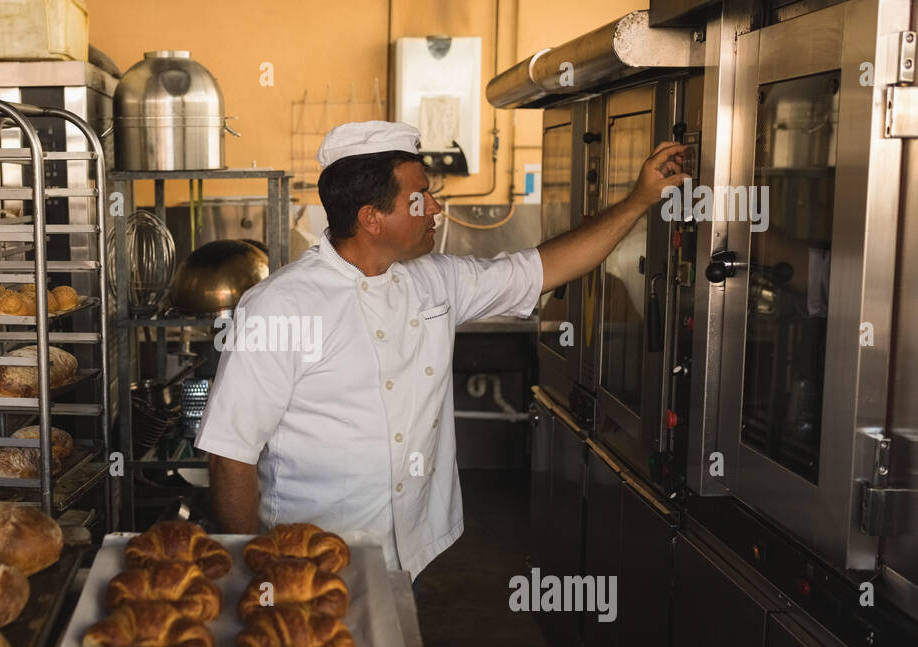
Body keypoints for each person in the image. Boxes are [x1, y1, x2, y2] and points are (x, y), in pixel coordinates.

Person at [194, 120, 686, 579]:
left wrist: (639, 200)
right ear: (371, 218)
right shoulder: (279, 306)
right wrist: (251, 577)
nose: (434, 209)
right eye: (420, 198)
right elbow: (230, 454)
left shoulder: (435, 279)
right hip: (304, 559)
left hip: (408, 550)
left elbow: (542, 268)